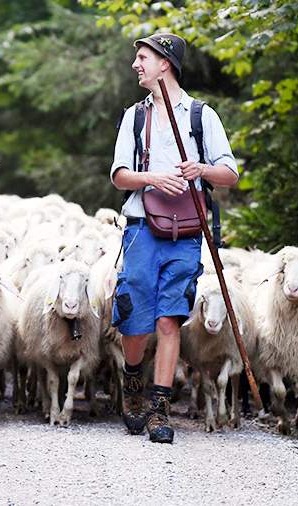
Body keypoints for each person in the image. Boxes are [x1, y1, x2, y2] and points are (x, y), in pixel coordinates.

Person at [110, 33, 239, 444]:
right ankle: (132, 382)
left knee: (170, 317)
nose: (137, 65)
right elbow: (118, 176)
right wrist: (151, 178)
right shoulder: (135, 117)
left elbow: (230, 174)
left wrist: (200, 170)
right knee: (134, 315)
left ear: (165, 63)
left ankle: (158, 407)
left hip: (186, 232)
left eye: (143, 58)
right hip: (141, 229)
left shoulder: (202, 116)